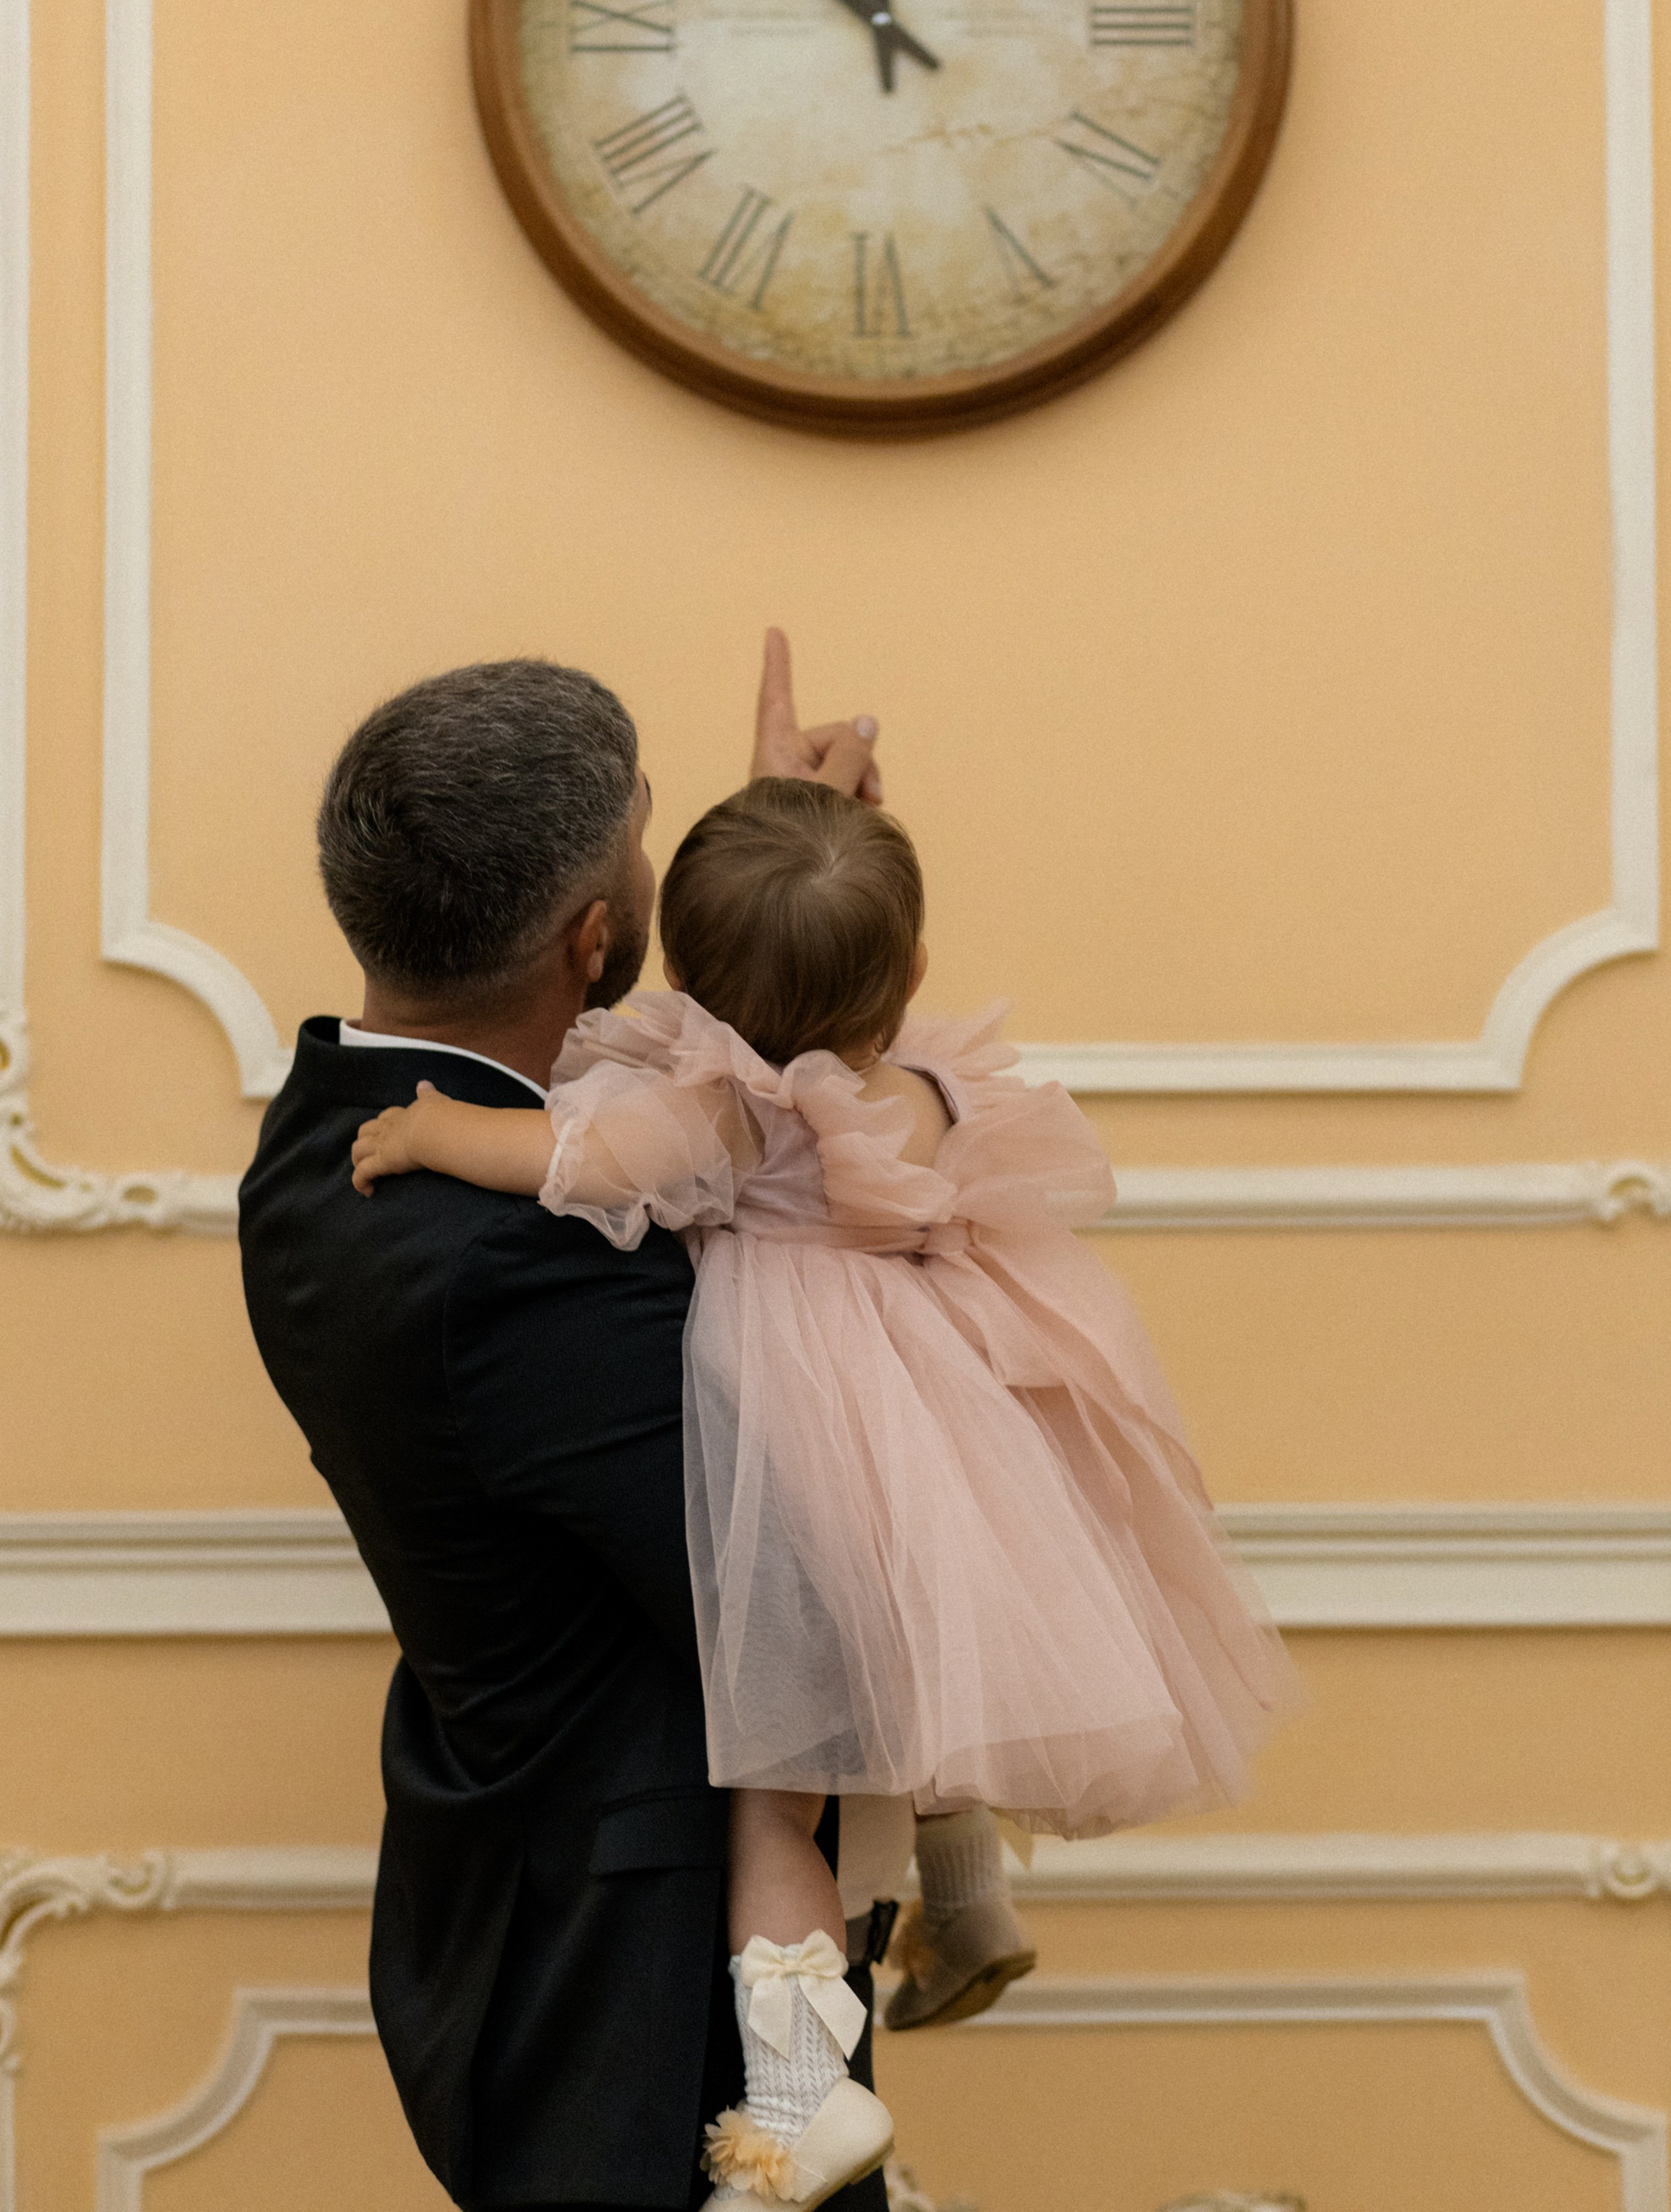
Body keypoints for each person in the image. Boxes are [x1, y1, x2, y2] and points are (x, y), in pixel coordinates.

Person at [350, 777, 1304, 2209]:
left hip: (797, 1447)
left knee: (775, 1817)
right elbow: (820, 1004)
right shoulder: (930, 1090)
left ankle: (802, 2101)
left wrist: (429, 1133)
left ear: (683, 978)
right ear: (910, 975)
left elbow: (571, 1155)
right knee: (934, 1676)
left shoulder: (722, 1110)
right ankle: (966, 1901)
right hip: (948, 1439)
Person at [238, 640, 899, 2212]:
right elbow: (805, 1607)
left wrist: (780, 873)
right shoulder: (520, 1267)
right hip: (632, 1989)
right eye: (652, 843)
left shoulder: (327, 1139)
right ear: (596, 935)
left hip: (512, 1898)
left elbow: (622, 1119)